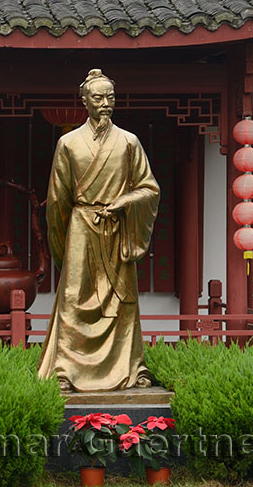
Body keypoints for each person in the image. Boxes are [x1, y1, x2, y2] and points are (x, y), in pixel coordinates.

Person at [37, 68, 160, 393]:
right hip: (80, 228)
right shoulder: (68, 143)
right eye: (98, 97)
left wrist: (124, 202)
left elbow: (149, 189)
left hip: (118, 228)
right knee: (73, 297)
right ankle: (65, 370)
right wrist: (62, 244)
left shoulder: (128, 142)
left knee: (122, 301)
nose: (105, 104)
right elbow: (57, 201)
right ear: (84, 101)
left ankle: (131, 368)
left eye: (110, 97)